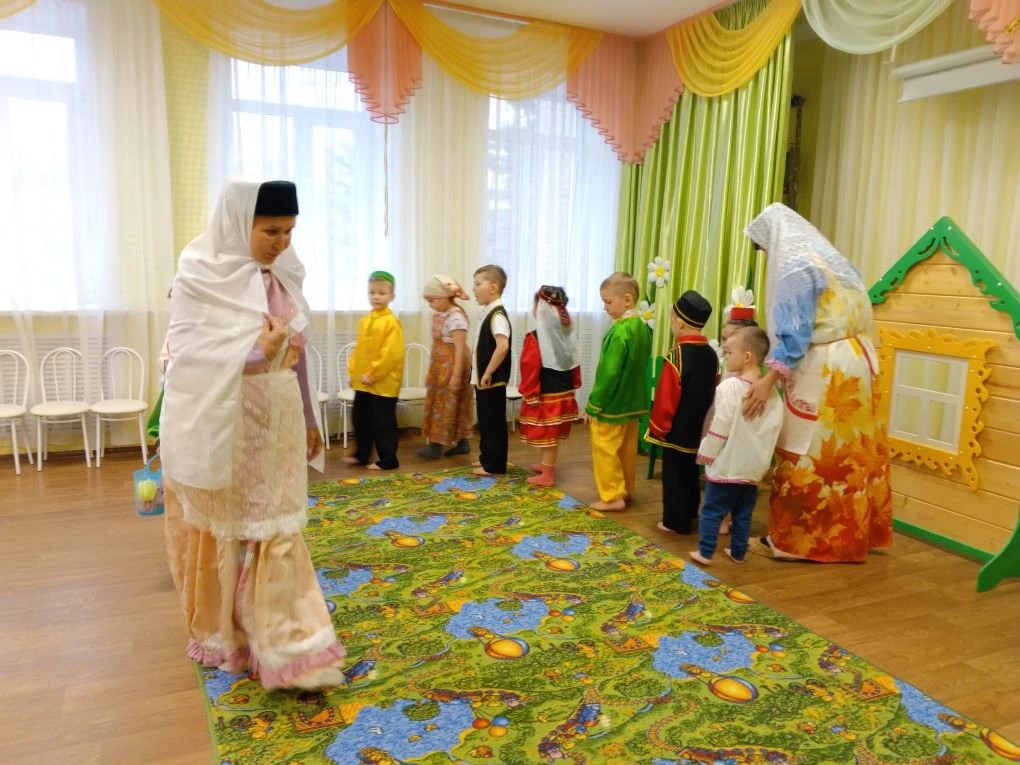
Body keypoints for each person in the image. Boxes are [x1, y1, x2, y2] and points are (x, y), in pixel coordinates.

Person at [160, 178, 346, 690]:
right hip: (230, 421)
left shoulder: (284, 275)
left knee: (277, 521)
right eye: (270, 231)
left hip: (279, 415)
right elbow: (186, 360)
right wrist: (257, 353)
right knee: (239, 523)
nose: (281, 243)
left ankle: (290, 644)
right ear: (239, 223)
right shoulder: (201, 274)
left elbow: (297, 355)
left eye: (289, 231)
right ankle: (238, 634)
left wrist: (310, 417)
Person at [742, 202, 893, 563]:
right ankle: (852, 533)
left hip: (827, 366)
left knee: (808, 449)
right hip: (860, 360)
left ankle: (800, 541)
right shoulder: (834, 261)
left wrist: (769, 379)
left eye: (763, 250)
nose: (767, 256)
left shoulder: (793, 266)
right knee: (852, 451)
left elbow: (794, 333)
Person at [689, 326, 783, 565]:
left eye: (729, 352)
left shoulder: (730, 387)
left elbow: (719, 425)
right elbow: (773, 431)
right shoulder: (772, 394)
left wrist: (706, 453)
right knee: (743, 513)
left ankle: (705, 552)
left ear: (747, 356)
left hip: (728, 464)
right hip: (753, 468)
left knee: (712, 510)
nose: (725, 356)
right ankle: (738, 552)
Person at [644, 291, 718, 533]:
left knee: (674, 474)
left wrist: (659, 427)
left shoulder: (677, 355)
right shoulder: (711, 354)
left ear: (680, 322)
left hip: (677, 428)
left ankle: (675, 522)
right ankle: (690, 511)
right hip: (699, 427)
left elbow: (666, 397)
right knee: (691, 471)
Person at [583, 272, 652, 512]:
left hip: (613, 404)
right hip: (632, 402)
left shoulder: (620, 331)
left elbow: (609, 373)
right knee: (626, 448)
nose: (605, 307)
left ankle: (612, 495)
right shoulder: (641, 327)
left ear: (627, 299)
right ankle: (625, 489)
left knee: (605, 448)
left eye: (608, 302)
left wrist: (594, 404)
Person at [518, 286, 582, 487]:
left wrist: (529, 392)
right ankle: (545, 465)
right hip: (564, 393)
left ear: (539, 308)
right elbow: (575, 363)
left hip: (546, 395)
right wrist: (575, 384)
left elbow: (529, 368)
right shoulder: (566, 334)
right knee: (551, 435)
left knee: (548, 436)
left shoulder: (534, 338)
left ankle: (547, 475)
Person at [346, 271, 405, 470]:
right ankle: (361, 455)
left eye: (381, 293)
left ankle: (389, 459)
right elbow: (359, 349)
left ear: (391, 296)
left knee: (383, 422)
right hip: (363, 382)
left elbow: (391, 353)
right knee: (360, 419)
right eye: (372, 292)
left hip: (383, 383)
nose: (376, 297)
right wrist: (353, 373)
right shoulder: (366, 320)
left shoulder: (391, 322)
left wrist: (374, 374)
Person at [418, 274, 473, 459]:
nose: (430, 305)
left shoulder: (456, 317)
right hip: (440, 366)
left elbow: (460, 349)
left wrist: (456, 376)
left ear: (442, 297)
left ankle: (437, 446)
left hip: (453, 365)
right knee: (440, 402)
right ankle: (461, 443)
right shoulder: (441, 314)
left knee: (450, 403)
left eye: (432, 300)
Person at [471, 264, 512, 477]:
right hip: (484, 379)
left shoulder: (497, 315)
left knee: (493, 422)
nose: (474, 289)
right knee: (486, 420)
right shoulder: (488, 312)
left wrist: (488, 372)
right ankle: (487, 459)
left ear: (493, 288)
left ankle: (494, 464)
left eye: (478, 284)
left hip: (492, 379)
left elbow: (502, 346)